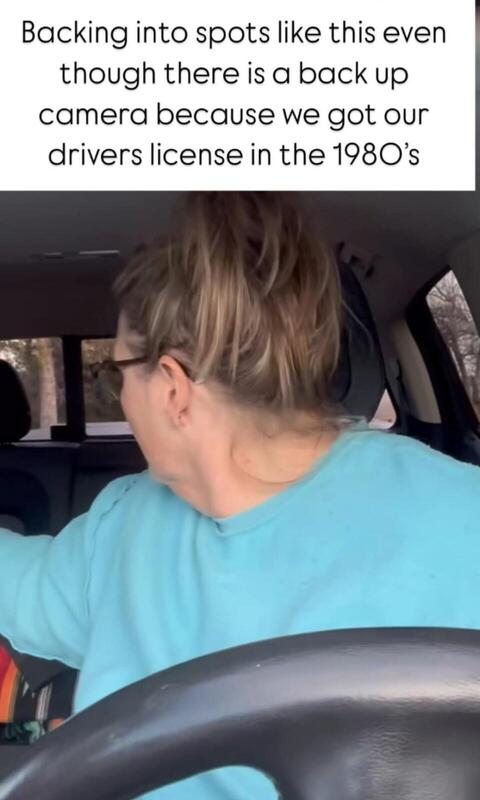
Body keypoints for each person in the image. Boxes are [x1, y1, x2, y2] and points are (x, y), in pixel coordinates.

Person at [0, 191, 479, 800]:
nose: (119, 392)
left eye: (115, 371)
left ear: (172, 389)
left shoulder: (124, 527)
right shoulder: (467, 513)